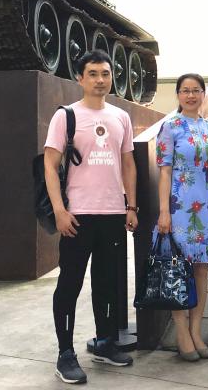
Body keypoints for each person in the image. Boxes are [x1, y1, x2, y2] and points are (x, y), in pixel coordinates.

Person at [44, 49, 139, 385]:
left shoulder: (121, 117)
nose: (100, 80)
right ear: (80, 78)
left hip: (112, 213)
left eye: (105, 74)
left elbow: (128, 164)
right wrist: (59, 210)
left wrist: (131, 206)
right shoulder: (66, 116)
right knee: (70, 283)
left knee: (108, 282)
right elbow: (50, 165)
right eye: (93, 74)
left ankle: (105, 342)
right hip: (77, 215)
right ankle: (65, 353)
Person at [155, 73, 208, 362]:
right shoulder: (170, 127)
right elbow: (164, 171)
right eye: (185, 90)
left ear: (203, 94)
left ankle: (196, 330)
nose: (190, 95)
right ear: (178, 94)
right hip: (179, 206)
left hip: (207, 205)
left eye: (195, 90)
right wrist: (164, 211)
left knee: (201, 269)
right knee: (178, 268)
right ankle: (182, 331)